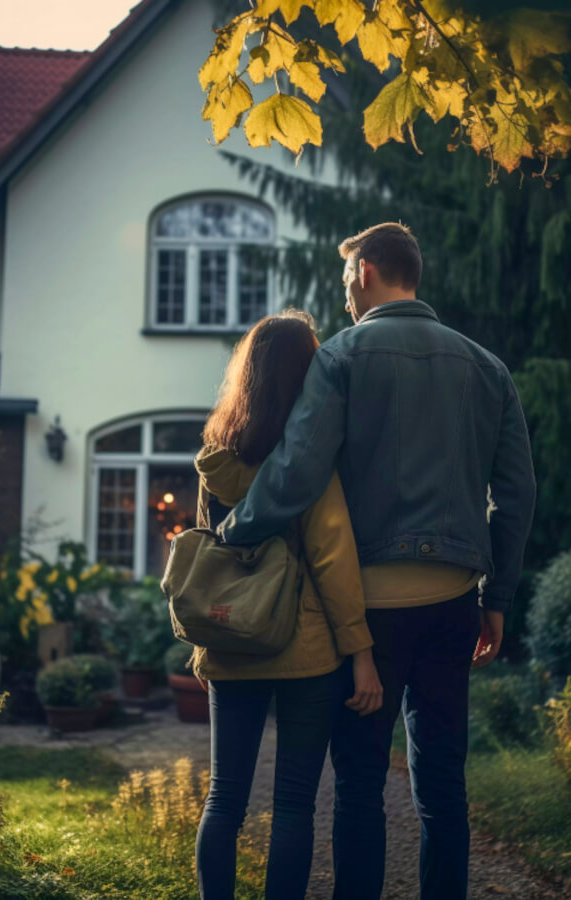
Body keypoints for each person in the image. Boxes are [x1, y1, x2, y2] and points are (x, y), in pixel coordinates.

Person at [217, 223, 536, 900]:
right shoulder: (486, 367)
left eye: (344, 285)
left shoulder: (342, 358)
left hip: (370, 614)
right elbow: (516, 494)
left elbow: (298, 472)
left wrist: (234, 531)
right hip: (455, 605)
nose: (343, 302)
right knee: (443, 781)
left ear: (364, 272)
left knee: (360, 782)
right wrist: (499, 598)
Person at [193, 309, 381, 900]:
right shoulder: (310, 464)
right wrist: (360, 650)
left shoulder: (215, 461)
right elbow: (333, 559)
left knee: (225, 796)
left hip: (231, 639)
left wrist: (208, 644)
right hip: (306, 652)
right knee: (295, 803)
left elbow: (211, 553)